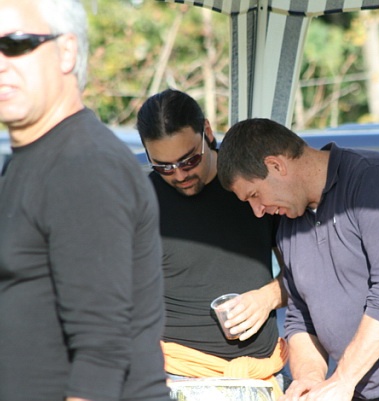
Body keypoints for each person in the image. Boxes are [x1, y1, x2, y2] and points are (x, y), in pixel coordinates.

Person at [216, 118, 379, 401]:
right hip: (357, 390)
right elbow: (301, 316)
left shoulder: (375, 179)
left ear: (276, 165)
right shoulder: (289, 222)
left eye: (255, 195)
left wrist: (343, 379)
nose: (258, 211)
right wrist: (310, 379)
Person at [0, 1, 170, 401]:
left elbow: (102, 352)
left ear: (67, 52)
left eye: (16, 44)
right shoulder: (30, 160)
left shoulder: (83, 164)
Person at [135, 89, 288, 396]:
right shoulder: (139, 202)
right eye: (163, 166)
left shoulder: (255, 184)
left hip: (260, 373)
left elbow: (303, 272)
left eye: (189, 160)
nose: (179, 175)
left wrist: (268, 297)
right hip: (175, 375)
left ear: (207, 131)